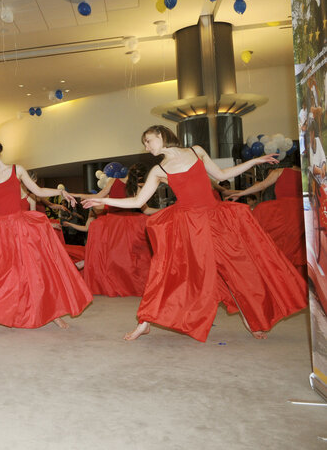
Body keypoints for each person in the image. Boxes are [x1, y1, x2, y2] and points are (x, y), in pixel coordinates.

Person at [82, 125, 307, 342]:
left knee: (238, 267)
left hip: (216, 218)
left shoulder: (196, 151)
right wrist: (102, 199)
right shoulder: (158, 170)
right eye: (145, 143)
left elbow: (220, 174)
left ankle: (251, 318)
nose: (147, 146)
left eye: (148, 140)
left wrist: (254, 161)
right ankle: (145, 321)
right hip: (189, 226)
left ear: (161, 135)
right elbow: (138, 201)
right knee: (170, 272)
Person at [0, 140, 92, 331]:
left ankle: (54, 314)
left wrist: (61, 191)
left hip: (20, 229)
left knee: (36, 272)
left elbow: (37, 191)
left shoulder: (16, 170)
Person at [81, 163, 154, 297]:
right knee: (124, 257)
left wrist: (166, 210)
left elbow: (100, 195)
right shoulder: (126, 185)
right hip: (120, 223)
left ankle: (116, 284)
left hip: (118, 223)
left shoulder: (131, 187)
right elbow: (147, 210)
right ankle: (120, 284)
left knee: (117, 257)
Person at [225, 156, 306, 277]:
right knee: (297, 248)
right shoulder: (308, 176)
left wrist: (240, 193)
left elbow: (262, 185)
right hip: (301, 214)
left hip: (281, 213)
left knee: (272, 243)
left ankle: (280, 277)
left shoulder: (280, 171)